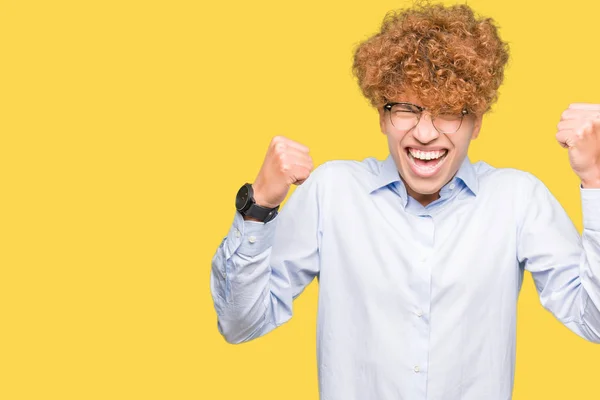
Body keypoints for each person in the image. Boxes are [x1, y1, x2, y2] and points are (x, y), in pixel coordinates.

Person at [210, 3, 600, 399]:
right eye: (407, 109)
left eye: (448, 111)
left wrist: (596, 180)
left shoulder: (518, 199)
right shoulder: (333, 192)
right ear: (382, 116)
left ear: (477, 121)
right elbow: (241, 323)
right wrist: (258, 206)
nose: (426, 133)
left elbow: (595, 322)